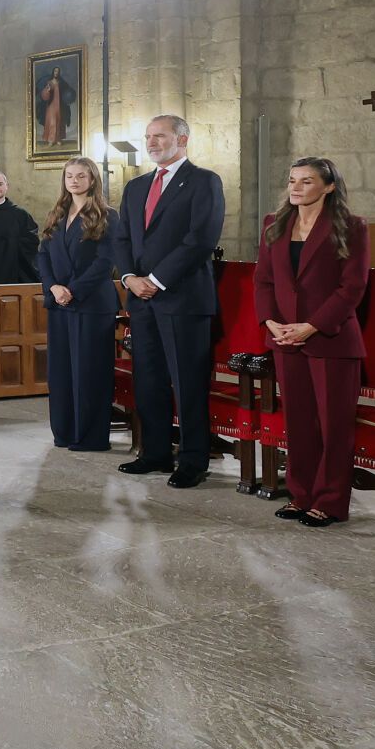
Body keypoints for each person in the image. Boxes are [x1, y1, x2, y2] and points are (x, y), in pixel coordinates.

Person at [111, 114, 226, 489]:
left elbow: (200, 239)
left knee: (187, 382)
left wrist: (156, 281)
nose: (151, 142)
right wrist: (129, 278)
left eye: (159, 136)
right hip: (141, 299)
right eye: (148, 136)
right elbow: (123, 238)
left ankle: (193, 460)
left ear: (182, 139)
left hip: (183, 298)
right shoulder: (136, 186)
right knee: (150, 379)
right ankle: (155, 453)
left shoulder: (204, 181)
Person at [254, 157, 369, 526]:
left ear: (329, 186)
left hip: (332, 340)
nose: (296, 188)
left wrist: (312, 326)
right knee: (299, 422)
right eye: (292, 181)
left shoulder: (351, 227)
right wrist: (271, 322)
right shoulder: (275, 224)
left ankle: (331, 502)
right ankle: (300, 495)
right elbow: (264, 280)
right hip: (285, 338)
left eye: (306, 181)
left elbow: (352, 287)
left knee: (333, 425)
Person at [37, 157, 118, 452]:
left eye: (81, 176)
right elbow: (43, 255)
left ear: (92, 180)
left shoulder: (108, 215)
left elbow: (105, 262)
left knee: (89, 372)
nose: (74, 180)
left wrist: (73, 289)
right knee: (61, 372)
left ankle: (90, 437)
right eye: (69, 176)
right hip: (59, 303)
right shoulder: (57, 213)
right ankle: (65, 432)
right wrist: (53, 287)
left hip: (92, 303)